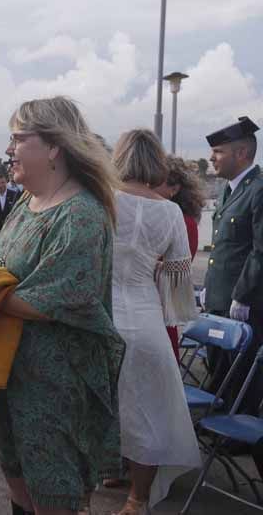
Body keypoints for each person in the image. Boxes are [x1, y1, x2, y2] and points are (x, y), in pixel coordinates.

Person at [0, 96, 124, 515]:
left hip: (53, 385)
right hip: (10, 371)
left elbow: (50, 299)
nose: (9, 150)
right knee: (18, 482)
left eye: (17, 138)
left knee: (53, 493)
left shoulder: (81, 214)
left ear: (54, 147)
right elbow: (12, 263)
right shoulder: (29, 202)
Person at [111, 129, 201, 514]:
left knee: (97, 409)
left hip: (100, 316)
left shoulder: (100, 200)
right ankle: (137, 499)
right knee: (145, 412)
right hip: (145, 319)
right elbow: (177, 288)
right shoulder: (171, 212)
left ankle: (80, 498)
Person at [202, 116, 263, 414]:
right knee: (219, 371)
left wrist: (243, 294)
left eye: (218, 152)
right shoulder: (230, 190)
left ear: (241, 153)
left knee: (242, 377)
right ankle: (219, 432)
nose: (212, 158)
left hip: (243, 304)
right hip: (219, 300)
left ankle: (237, 439)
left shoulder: (258, 189)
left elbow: (260, 250)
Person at [153, 156, 205, 356]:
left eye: (156, 181)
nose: (148, 184)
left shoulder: (184, 223)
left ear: (174, 189)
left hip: (160, 311)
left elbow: (174, 274)